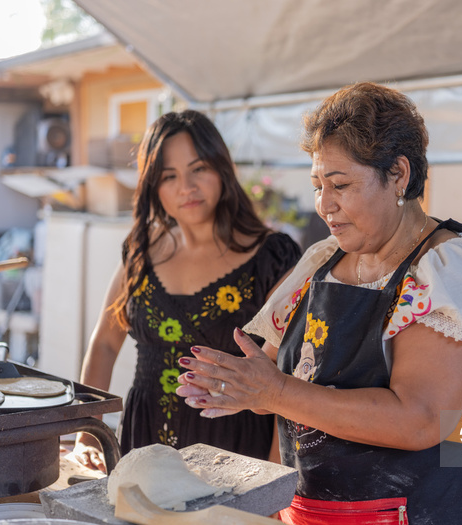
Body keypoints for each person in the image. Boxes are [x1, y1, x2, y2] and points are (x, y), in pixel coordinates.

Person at [176, 82, 462, 524]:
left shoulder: (452, 271)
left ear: (399, 175)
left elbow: (419, 419)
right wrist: (244, 387)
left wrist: (275, 391)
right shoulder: (320, 264)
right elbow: (283, 386)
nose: (324, 205)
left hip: (439, 509)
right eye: (318, 185)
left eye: (341, 184)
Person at [74, 110, 301, 471]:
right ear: (153, 185)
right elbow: (103, 345)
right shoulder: (139, 253)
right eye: (169, 176)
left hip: (238, 457)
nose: (186, 187)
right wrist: (87, 435)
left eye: (198, 169)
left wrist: (277, 473)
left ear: (221, 169)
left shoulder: (274, 258)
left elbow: (289, 377)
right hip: (144, 445)